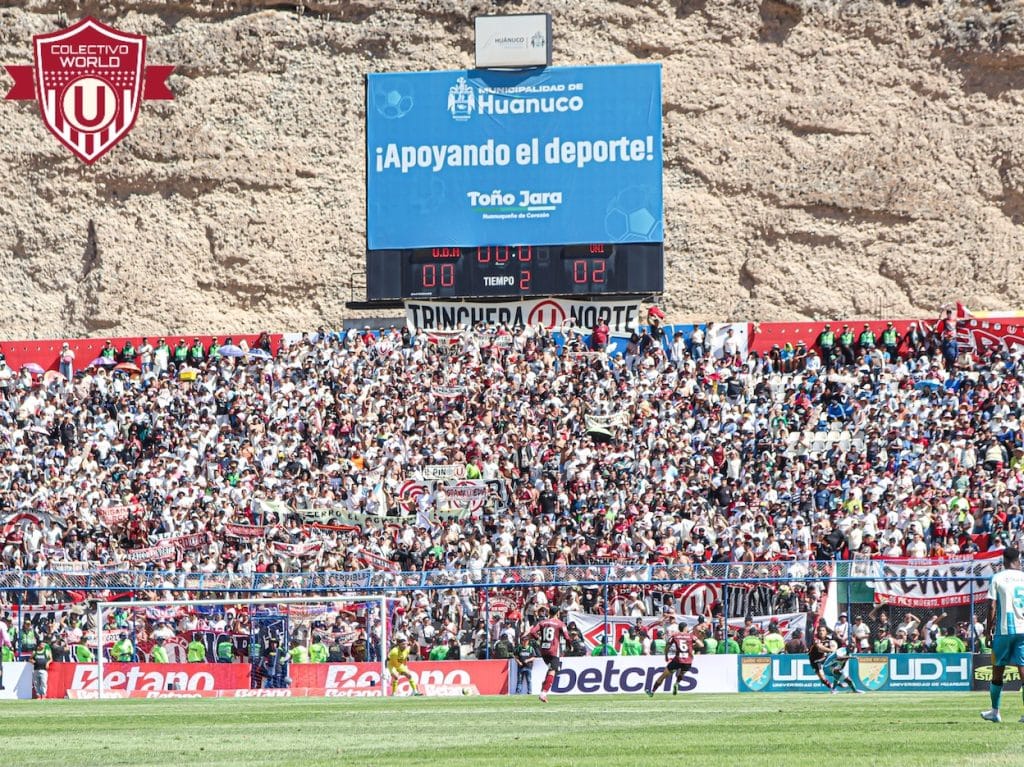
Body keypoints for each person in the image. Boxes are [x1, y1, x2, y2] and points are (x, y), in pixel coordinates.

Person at [981, 547, 1024, 723]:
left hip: (1004, 630)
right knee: (1023, 671)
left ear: (1003, 560)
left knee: (997, 672)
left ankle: (995, 711)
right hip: (1023, 630)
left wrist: (988, 631)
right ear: (1018, 559)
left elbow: (991, 606)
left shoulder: (997, 578)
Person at [522, 606, 571, 703]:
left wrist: (539, 639)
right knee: (553, 670)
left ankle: (544, 684)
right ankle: (543, 693)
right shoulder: (560, 623)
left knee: (552, 669)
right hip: (553, 650)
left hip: (543, 650)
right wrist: (570, 646)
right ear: (557, 613)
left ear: (549, 613)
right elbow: (567, 637)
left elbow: (532, 632)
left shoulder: (542, 622)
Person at [646, 624, 702, 697]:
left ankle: (652, 692)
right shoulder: (691, 636)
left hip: (677, 660)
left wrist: (666, 656)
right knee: (681, 674)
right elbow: (701, 645)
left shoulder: (675, 636)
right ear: (685, 628)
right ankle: (677, 683)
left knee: (663, 676)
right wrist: (691, 646)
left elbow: (667, 646)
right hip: (688, 661)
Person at [809, 624, 837, 691]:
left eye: (823, 630)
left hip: (824, 658)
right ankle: (832, 687)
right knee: (822, 678)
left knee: (837, 670)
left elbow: (833, 646)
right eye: (820, 630)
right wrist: (831, 650)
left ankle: (840, 681)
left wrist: (833, 650)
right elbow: (820, 648)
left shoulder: (829, 640)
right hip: (815, 660)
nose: (821, 632)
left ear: (826, 632)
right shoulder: (816, 639)